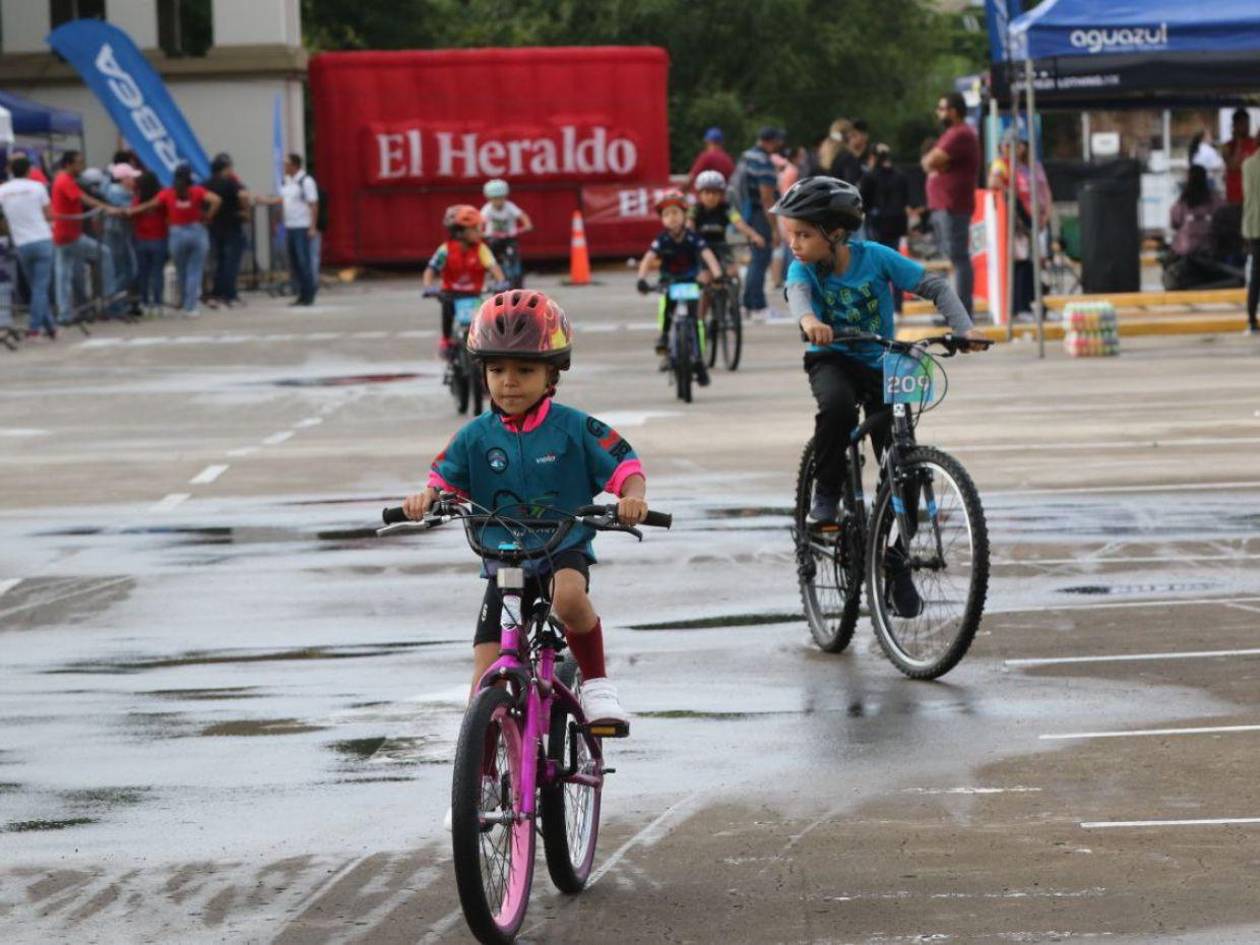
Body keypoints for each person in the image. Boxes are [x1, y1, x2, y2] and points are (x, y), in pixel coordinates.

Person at [402, 289, 650, 725]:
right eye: (497, 370)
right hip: (502, 559)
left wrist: (633, 498)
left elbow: (625, 465)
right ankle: (481, 760)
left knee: (568, 598)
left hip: (561, 548)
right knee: (483, 681)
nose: (509, 382)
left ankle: (597, 686)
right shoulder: (475, 435)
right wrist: (428, 498)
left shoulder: (574, 427)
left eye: (524, 370)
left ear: (552, 373)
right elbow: (443, 478)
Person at [774, 177, 986, 613]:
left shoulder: (876, 257)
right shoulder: (804, 269)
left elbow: (934, 286)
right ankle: (826, 495)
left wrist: (963, 328)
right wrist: (811, 322)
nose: (794, 244)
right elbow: (798, 296)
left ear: (835, 233)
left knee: (904, 466)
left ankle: (894, 559)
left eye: (804, 234)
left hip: (881, 364)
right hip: (832, 359)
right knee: (836, 409)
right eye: (792, 233)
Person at [635, 190, 723, 380]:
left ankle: (698, 358)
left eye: (676, 213)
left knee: (696, 320)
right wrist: (641, 279)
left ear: (684, 215)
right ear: (662, 220)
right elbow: (648, 259)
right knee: (665, 307)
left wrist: (717, 275)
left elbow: (708, 255)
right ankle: (664, 336)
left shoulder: (693, 237)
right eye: (667, 214)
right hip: (669, 280)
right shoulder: (661, 239)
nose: (672, 218)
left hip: (690, 280)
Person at [130, 164, 221, 316]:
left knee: (181, 271)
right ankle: (191, 306)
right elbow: (216, 200)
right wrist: (207, 216)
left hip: (176, 233)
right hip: (196, 230)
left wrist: (130, 210)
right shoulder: (197, 191)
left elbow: (150, 205)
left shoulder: (167, 193)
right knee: (194, 270)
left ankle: (184, 301)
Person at [922, 92, 980, 316]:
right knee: (948, 260)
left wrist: (935, 162)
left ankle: (962, 313)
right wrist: (935, 163)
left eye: (941, 108)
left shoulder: (960, 134)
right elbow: (929, 162)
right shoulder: (950, 135)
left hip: (953, 206)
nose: (938, 113)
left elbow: (931, 160)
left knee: (957, 258)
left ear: (953, 111)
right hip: (943, 206)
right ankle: (951, 311)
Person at [422, 204, 507, 357]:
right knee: (447, 310)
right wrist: (428, 286)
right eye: (475, 229)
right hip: (450, 293)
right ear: (459, 232)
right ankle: (446, 339)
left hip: (473, 294)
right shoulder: (445, 249)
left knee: (484, 321)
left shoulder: (481, 249)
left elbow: (493, 266)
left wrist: (501, 281)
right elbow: (431, 269)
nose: (480, 232)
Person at [50, 151, 120, 326]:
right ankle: (109, 297)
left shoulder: (63, 179)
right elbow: (84, 198)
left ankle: (64, 314)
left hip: (64, 234)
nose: (82, 166)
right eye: (79, 163)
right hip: (70, 235)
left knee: (63, 275)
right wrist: (107, 208)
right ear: (68, 164)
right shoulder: (65, 180)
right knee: (104, 254)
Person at [988, 130, 1051, 318]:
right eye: (1010, 145)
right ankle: (1019, 306)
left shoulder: (1029, 166)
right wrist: (1009, 192)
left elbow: (1044, 191)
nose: (1016, 149)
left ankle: (1031, 302)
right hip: (1016, 221)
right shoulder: (1002, 163)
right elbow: (993, 181)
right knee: (1021, 262)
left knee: (1033, 262)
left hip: (1030, 219)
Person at [0, 156, 56, 339]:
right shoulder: (38, 187)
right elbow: (49, 215)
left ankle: (50, 326)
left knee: (36, 287)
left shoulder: (3, 190)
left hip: (22, 243)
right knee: (40, 287)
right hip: (42, 239)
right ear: (28, 171)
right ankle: (34, 327)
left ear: (11, 170)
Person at [258, 154, 320, 306]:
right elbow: (283, 201)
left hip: (302, 226)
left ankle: (309, 293)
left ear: (294, 165)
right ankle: (301, 293)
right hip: (290, 226)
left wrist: (312, 227)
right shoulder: (287, 182)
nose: (284, 167)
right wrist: (268, 205)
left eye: (286, 164)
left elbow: (313, 204)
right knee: (295, 262)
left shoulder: (306, 181)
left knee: (303, 261)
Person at [737, 126, 784, 319]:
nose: (780, 144)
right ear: (770, 141)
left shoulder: (746, 157)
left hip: (747, 213)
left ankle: (747, 304)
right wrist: (774, 229)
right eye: (777, 141)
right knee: (761, 259)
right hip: (760, 215)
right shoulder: (763, 162)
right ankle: (757, 305)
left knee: (755, 259)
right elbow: (766, 198)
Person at [689, 169, 766, 280]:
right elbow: (689, 226)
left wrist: (754, 235)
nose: (711, 196)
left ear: (721, 194)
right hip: (701, 249)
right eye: (706, 192)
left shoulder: (727, 209)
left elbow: (739, 223)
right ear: (700, 194)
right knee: (705, 277)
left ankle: (733, 290)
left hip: (722, 247)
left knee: (733, 272)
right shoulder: (694, 209)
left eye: (715, 193)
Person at [861, 144, 911, 314]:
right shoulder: (900, 176)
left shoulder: (869, 177)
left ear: (872, 158)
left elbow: (863, 202)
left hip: (876, 225)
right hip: (896, 225)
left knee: (875, 266)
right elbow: (905, 199)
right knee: (894, 263)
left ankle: (878, 304)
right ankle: (897, 305)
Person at [206, 153, 250, 307]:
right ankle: (230, 294)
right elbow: (243, 195)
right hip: (232, 226)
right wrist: (246, 211)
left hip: (214, 227)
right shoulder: (231, 183)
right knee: (231, 262)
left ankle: (217, 293)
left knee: (218, 261)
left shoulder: (207, 183)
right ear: (225, 168)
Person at [479, 179, 532, 289]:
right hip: (493, 238)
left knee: (514, 256)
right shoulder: (487, 209)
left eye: (501, 198)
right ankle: (493, 277)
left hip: (509, 238)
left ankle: (518, 281)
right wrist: (479, 231)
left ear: (505, 196)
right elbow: (480, 221)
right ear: (489, 198)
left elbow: (522, 215)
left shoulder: (510, 206)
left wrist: (527, 225)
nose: (498, 201)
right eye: (495, 199)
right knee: (490, 258)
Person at [103, 162, 140, 316]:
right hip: (116, 233)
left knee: (126, 270)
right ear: (123, 179)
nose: (134, 181)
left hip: (120, 233)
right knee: (124, 270)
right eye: (131, 178)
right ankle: (112, 304)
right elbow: (128, 211)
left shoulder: (116, 191)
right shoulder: (117, 193)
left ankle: (116, 302)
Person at [131, 171, 168, 316]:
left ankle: (144, 302)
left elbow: (132, 216)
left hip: (141, 239)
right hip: (159, 238)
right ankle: (158, 303)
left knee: (143, 273)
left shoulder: (137, 200)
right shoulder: (161, 198)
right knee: (157, 272)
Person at [1169, 166, 1221, 258]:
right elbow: (1222, 218)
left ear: (1188, 179)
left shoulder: (1183, 201)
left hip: (1186, 249)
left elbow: (1175, 223)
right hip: (1209, 248)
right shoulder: (1214, 199)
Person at [1222, 109, 1257, 206]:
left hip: (1252, 196)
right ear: (1235, 125)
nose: (1246, 127)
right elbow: (1232, 166)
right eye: (1242, 124)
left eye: (1247, 124)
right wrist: (1238, 142)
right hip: (1234, 197)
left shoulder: (1255, 143)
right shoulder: (1227, 146)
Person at [1243, 147, 1260, 335]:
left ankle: (1251, 319)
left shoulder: (1247, 165)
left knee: (1256, 275)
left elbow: (1248, 198)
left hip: (1254, 227)